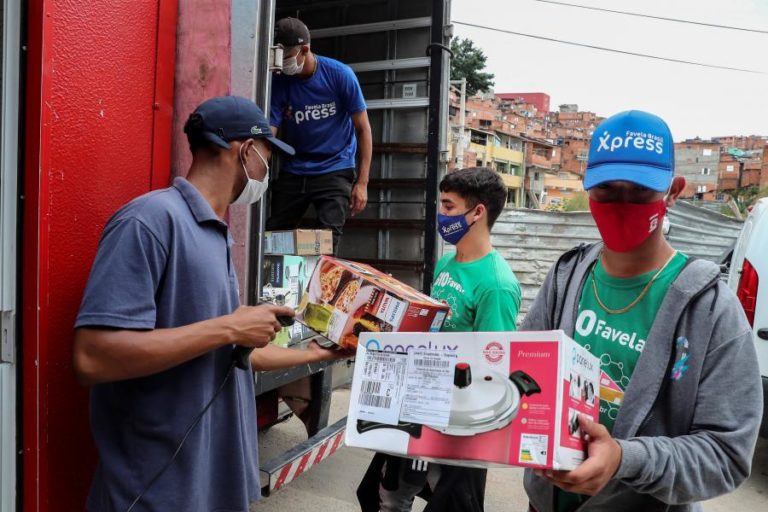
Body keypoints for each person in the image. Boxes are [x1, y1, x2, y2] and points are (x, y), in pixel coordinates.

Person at [73, 95, 342, 512]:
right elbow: (93, 358)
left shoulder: (215, 231)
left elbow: (223, 353)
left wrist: (311, 353)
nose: (268, 169)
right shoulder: (149, 221)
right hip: (152, 489)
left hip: (207, 481)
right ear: (245, 149)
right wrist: (232, 326)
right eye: (268, 154)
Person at [521, 110, 762, 512]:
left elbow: (726, 453)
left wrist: (623, 459)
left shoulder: (711, 308)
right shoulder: (566, 278)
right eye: (607, 191)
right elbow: (522, 379)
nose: (621, 204)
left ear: (673, 190)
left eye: (639, 191)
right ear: (587, 187)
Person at [357, 167, 522, 512]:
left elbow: (492, 370)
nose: (441, 215)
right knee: (386, 496)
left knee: (449, 503)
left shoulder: (497, 284)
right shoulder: (447, 263)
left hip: (456, 423)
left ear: (477, 212)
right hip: (419, 404)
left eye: (448, 207)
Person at [267, 16, 373, 252]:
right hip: (294, 168)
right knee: (274, 237)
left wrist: (362, 183)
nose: (282, 64)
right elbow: (270, 133)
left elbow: (363, 129)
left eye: (286, 58)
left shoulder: (340, 75)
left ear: (305, 50)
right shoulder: (280, 82)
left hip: (334, 167)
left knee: (325, 242)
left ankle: (318, 288)